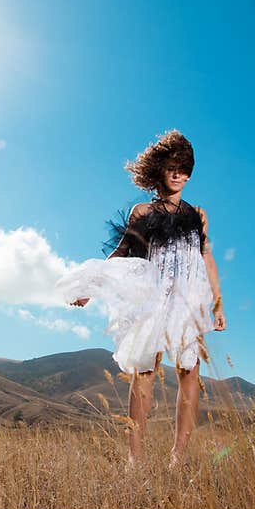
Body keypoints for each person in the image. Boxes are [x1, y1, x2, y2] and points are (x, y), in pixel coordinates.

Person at [54, 129, 227, 471]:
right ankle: (135, 458)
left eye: (185, 169)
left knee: (189, 370)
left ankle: (178, 456)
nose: (180, 175)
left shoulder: (198, 215)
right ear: (159, 169)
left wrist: (218, 303)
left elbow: (206, 258)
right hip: (153, 296)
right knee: (145, 371)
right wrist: (90, 286)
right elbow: (120, 252)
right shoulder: (142, 211)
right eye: (173, 168)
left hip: (186, 298)